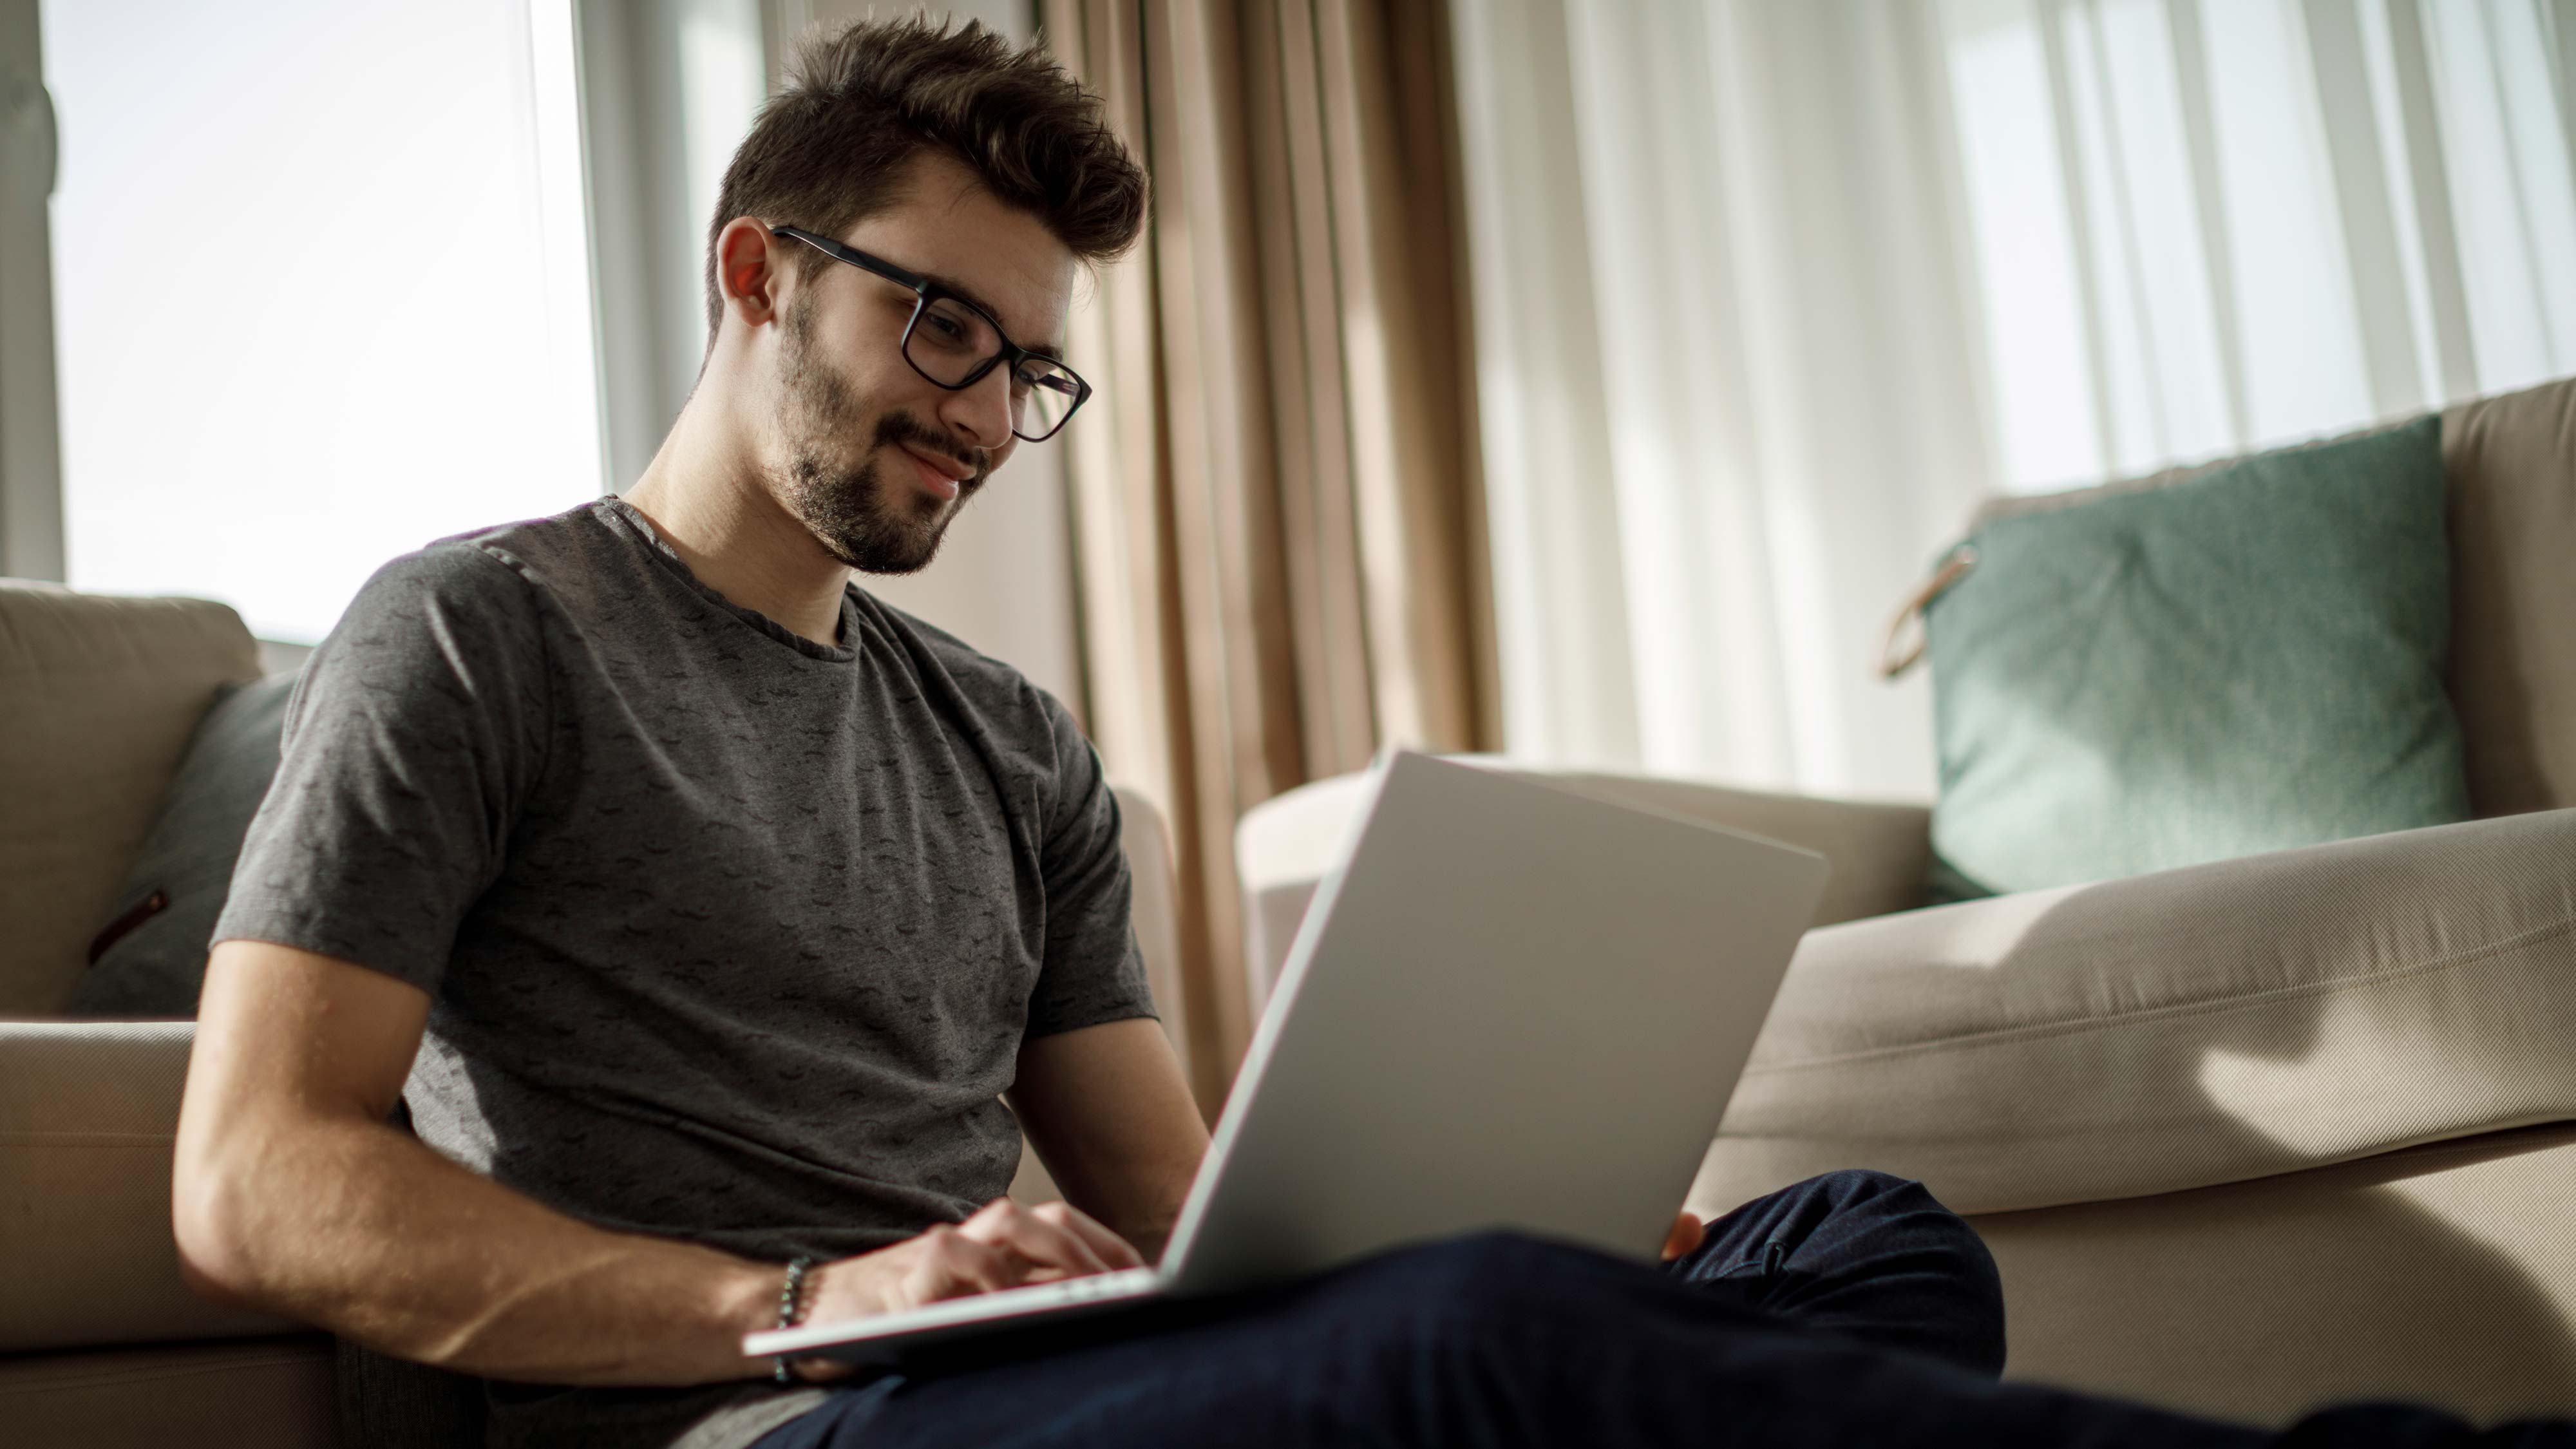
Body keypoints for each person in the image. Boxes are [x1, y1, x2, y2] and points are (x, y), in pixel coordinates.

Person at [169, 16, 2563, 1449]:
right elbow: (251, 1175)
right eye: (943, 334)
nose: (991, 416)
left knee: (1850, 1245)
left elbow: (1194, 1204)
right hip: (771, 1415)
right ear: (759, 271)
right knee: (1504, 1348)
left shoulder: (1007, 743)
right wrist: (803, 1295)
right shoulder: (478, 637)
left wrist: (1486, 1196)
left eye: (1032, 367)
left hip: (1029, 1384)